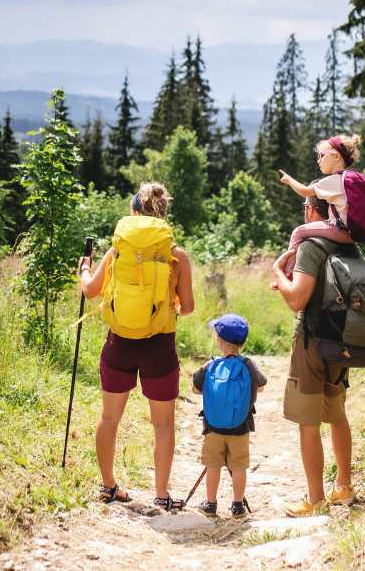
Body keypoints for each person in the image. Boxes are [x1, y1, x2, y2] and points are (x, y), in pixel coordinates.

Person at [77, 182, 195, 510]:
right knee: (163, 424)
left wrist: (84, 268)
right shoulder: (176, 255)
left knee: (109, 417)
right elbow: (187, 308)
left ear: (133, 212)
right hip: (159, 348)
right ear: (162, 216)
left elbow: (90, 290)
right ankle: (161, 495)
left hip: (119, 345)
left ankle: (108, 487)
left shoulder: (117, 250)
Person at [271, 193, 357, 517]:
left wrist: (279, 271)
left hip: (311, 341)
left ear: (312, 210)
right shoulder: (348, 245)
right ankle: (344, 486)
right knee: (336, 414)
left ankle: (316, 499)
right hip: (342, 341)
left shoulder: (310, 246)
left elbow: (297, 300)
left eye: (304, 207)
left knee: (308, 422)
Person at [190, 314, 268, 518]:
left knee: (213, 465)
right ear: (242, 343)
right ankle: (238, 505)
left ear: (219, 341)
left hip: (213, 428)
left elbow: (195, 390)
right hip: (241, 427)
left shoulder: (210, 365)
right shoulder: (249, 365)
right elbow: (260, 387)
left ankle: (211, 504)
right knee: (239, 466)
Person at [276, 134, 363, 277]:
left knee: (298, 232)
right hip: (354, 233)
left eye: (322, 156)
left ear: (336, 157)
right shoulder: (351, 179)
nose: (318, 161)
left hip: (341, 230)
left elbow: (305, 192)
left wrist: (289, 180)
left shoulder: (335, 180)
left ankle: (288, 274)